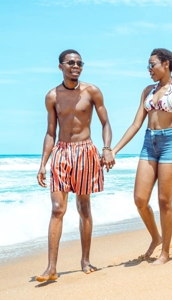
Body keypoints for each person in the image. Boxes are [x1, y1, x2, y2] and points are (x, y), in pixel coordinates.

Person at [35, 49, 115, 282]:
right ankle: (51, 268)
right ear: (61, 66)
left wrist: (107, 148)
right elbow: (50, 132)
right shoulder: (52, 96)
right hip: (61, 151)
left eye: (79, 63)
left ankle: (85, 259)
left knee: (84, 207)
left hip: (85, 151)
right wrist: (43, 163)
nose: (76, 66)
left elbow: (105, 122)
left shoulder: (92, 91)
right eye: (71, 63)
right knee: (57, 209)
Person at [112, 48, 172, 265]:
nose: (149, 70)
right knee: (140, 199)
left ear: (166, 64)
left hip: (170, 144)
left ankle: (165, 252)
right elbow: (136, 123)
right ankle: (155, 237)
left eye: (152, 65)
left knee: (164, 201)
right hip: (149, 143)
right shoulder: (147, 91)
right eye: (148, 66)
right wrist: (114, 150)